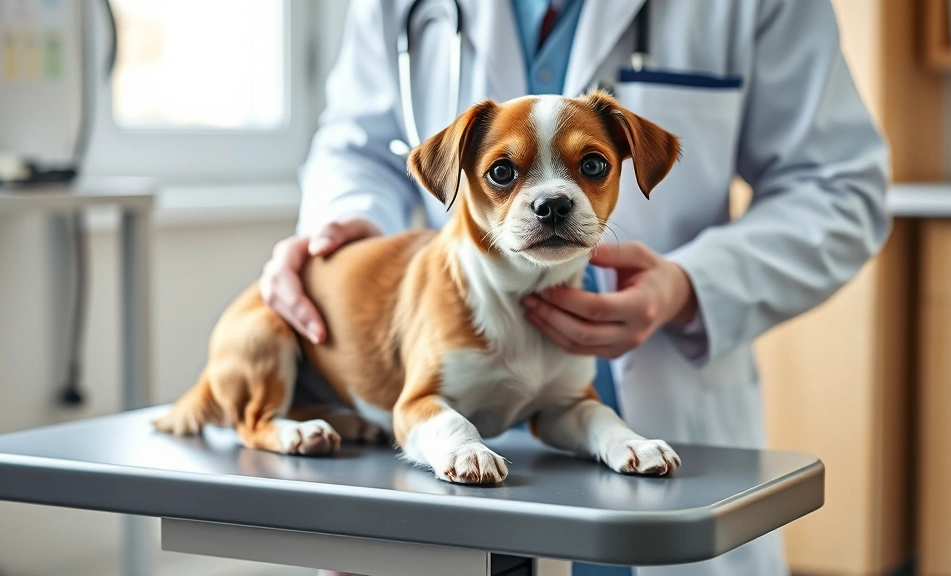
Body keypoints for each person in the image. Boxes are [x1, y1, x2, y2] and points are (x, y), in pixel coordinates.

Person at [260, 1, 890, 574]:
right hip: (445, 387)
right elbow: (361, 147)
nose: (551, 200)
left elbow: (839, 188)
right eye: (505, 173)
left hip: (662, 405)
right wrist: (344, 244)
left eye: (592, 166)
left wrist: (691, 287)